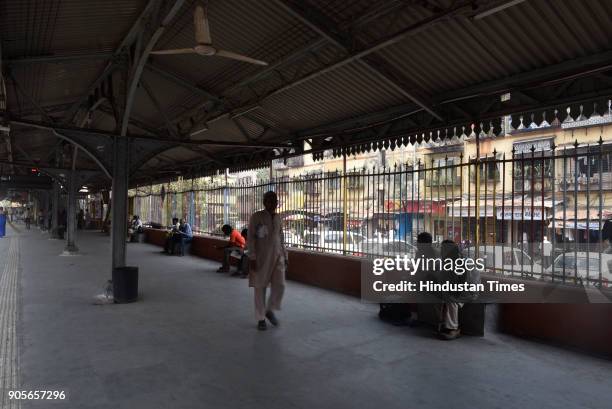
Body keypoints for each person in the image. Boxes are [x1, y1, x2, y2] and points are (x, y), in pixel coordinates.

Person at [248, 191, 287, 331]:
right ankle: (261, 319)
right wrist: (252, 257)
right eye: (270, 200)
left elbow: (281, 238)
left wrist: (285, 255)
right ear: (264, 202)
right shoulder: (256, 217)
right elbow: (251, 238)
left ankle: (269, 309)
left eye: (275, 200)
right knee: (260, 287)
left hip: (278, 256)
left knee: (280, 285)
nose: (273, 203)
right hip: (261, 256)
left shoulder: (278, 218)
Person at [434, 240, 465, 341]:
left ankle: (454, 328)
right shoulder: (445, 262)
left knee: (452, 301)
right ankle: (443, 323)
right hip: (451, 289)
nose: (441, 251)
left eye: (443, 249)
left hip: (465, 291)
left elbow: (461, 283)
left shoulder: (459, 263)